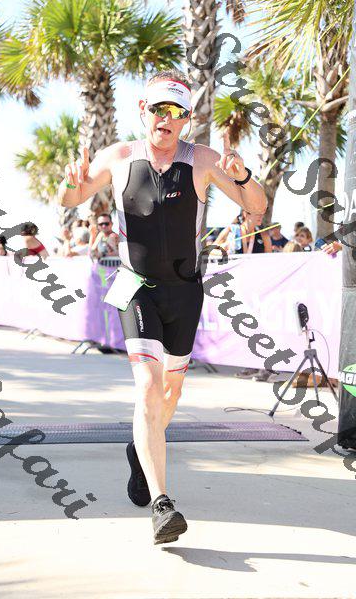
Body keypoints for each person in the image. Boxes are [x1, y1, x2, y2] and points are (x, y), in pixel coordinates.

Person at [57, 68, 267, 544]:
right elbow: (71, 197)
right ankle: (162, 503)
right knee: (149, 386)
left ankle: (140, 449)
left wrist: (243, 176)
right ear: (143, 111)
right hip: (135, 287)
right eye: (158, 109)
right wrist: (70, 184)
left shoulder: (203, 160)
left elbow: (256, 205)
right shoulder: (118, 158)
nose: (166, 119)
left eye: (177, 111)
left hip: (185, 291)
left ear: (187, 118)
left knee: (169, 395)